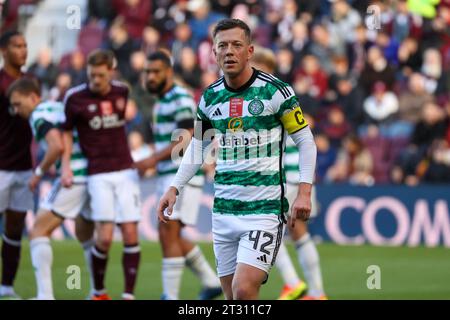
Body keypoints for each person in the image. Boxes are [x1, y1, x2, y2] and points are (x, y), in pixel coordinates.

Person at [157, 19, 317, 300]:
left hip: (264, 210)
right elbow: (197, 147)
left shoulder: (275, 91)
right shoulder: (210, 97)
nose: (229, 51)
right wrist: (174, 187)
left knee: (244, 290)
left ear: (250, 51)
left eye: (236, 45)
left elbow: (306, 141)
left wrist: (304, 192)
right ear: (214, 53)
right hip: (224, 212)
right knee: (232, 296)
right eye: (222, 46)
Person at [135, 50, 222, 300]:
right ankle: (210, 281)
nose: (150, 77)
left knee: (167, 232)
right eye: (147, 72)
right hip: (170, 173)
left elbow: (187, 138)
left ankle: (170, 296)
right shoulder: (162, 101)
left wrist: (151, 160)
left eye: (155, 72)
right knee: (172, 233)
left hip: (182, 175)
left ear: (169, 72)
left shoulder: (180, 97)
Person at [61, 49, 141, 300]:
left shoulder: (122, 91)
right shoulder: (74, 98)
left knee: (130, 232)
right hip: (97, 173)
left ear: (110, 72)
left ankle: (128, 295)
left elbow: (126, 115)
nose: (95, 80)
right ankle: (99, 292)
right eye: (92, 75)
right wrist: (65, 164)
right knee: (104, 238)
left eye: (100, 75)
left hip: (125, 170)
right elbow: (66, 132)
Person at [7, 77, 95, 300]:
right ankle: (97, 292)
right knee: (86, 235)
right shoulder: (57, 106)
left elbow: (56, 145)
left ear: (33, 97)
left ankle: (45, 295)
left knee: (38, 230)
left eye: (19, 104)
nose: (16, 111)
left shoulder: (39, 114)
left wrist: (38, 173)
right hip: (91, 173)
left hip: (72, 176)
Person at [251, 46, 327, 300]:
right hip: (298, 175)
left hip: (283, 178)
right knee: (299, 233)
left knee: (262, 228)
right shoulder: (286, 93)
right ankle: (316, 293)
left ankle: (293, 283)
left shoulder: (265, 94)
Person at [0, 30, 33, 299]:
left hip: (24, 167)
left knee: (14, 228)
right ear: (3, 51)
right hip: (0, 167)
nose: (23, 50)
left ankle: (7, 286)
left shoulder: (31, 83)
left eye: (25, 45)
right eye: (16, 46)